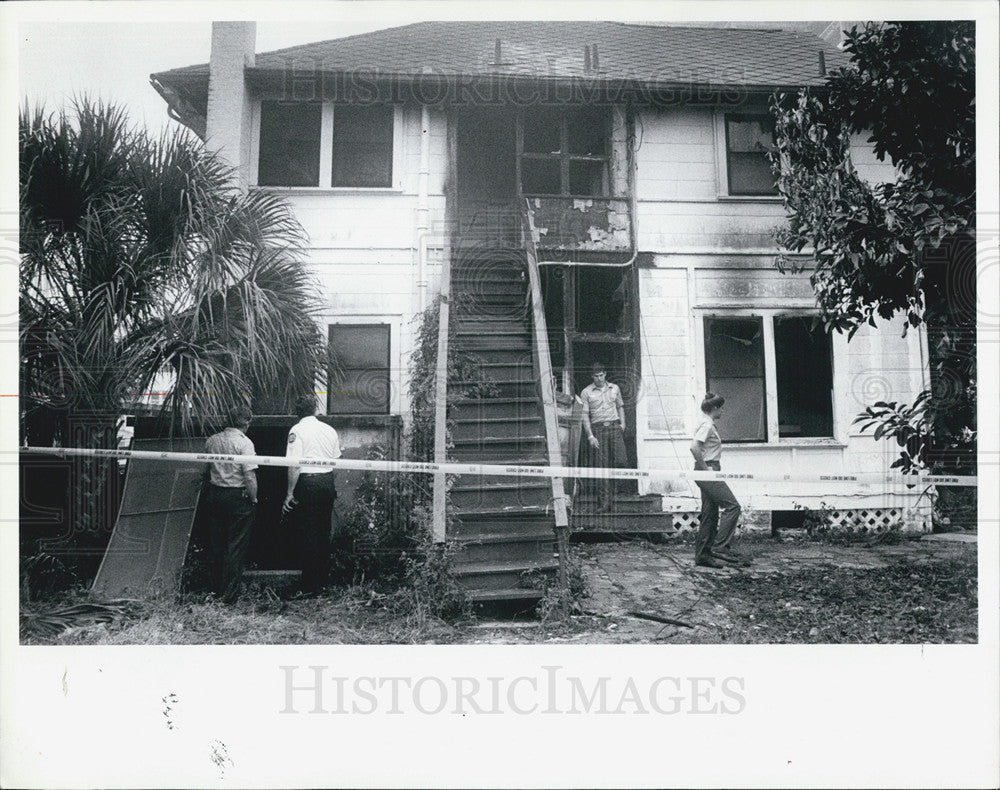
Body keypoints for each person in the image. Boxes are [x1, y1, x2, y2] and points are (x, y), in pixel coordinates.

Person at [282, 394, 341, 594]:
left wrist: (289, 493)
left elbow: (294, 466)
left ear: (297, 411)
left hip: (307, 484)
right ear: (315, 408)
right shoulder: (329, 430)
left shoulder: (296, 431)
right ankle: (322, 582)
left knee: (308, 532)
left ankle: (310, 585)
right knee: (323, 531)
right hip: (326, 482)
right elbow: (336, 462)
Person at [202, 405, 258, 603]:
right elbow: (249, 476)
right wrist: (254, 499)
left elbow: (206, 470)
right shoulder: (245, 444)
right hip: (237, 496)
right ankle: (229, 596)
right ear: (247, 422)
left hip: (215, 495)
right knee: (235, 545)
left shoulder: (212, 441)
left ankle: (214, 590)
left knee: (216, 545)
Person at [690, 392, 747, 569]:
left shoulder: (707, 423)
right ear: (714, 408)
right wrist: (706, 469)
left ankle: (703, 556)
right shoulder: (707, 424)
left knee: (710, 513)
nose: (723, 410)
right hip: (708, 469)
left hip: (709, 468)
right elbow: (694, 447)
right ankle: (720, 547)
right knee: (733, 506)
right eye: (721, 407)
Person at [580, 362, 627, 512]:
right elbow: (585, 415)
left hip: (614, 427)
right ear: (592, 376)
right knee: (602, 467)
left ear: (605, 374)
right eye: (596, 376)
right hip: (598, 430)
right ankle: (604, 503)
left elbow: (620, 406)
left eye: (601, 375)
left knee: (621, 461)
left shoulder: (615, 388)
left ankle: (614, 498)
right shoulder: (586, 392)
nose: (599, 378)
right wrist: (590, 436)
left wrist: (623, 424)